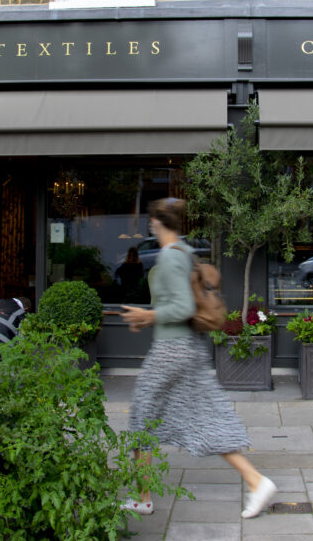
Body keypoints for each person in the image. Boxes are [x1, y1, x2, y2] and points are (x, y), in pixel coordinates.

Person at [120, 197, 276, 518]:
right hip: (187, 347)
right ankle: (255, 481)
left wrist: (148, 317)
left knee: (141, 420)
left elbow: (182, 308)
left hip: (172, 351)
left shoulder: (171, 257)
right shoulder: (186, 252)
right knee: (203, 420)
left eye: (151, 222)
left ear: (156, 224)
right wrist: (148, 317)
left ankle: (142, 497)